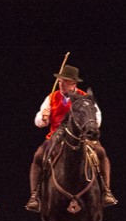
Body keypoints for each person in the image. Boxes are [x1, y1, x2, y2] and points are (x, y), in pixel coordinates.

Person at [25, 65, 116, 211]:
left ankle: (106, 191)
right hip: (56, 136)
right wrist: (43, 117)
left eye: (65, 81)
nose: (61, 84)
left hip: (81, 136)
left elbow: (96, 118)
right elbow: (39, 123)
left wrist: (88, 128)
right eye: (60, 81)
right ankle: (34, 196)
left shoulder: (85, 98)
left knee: (101, 153)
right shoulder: (51, 97)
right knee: (38, 156)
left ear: (74, 83)